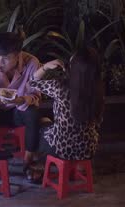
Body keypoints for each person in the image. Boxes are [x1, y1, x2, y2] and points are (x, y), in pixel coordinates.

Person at [29, 47, 105, 182]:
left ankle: (36, 165)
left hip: (62, 148)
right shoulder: (97, 90)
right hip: (88, 148)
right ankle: (76, 167)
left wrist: (45, 67)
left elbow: (33, 82)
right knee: (50, 124)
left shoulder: (60, 87)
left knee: (40, 124)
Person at [0, 32, 41, 174]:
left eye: (5, 59)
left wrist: (21, 100)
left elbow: (35, 95)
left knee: (33, 112)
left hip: (18, 111)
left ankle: (29, 162)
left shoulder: (32, 63)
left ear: (18, 56)